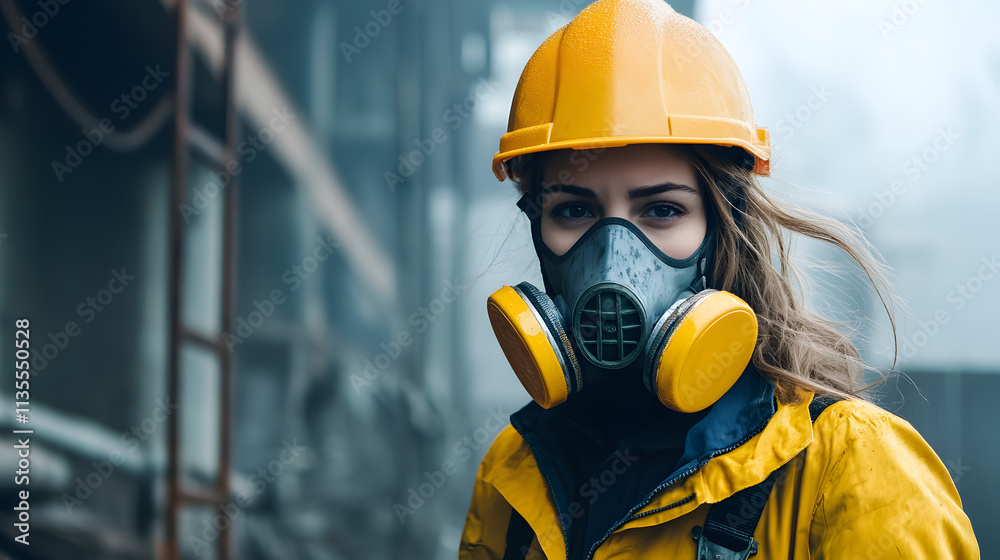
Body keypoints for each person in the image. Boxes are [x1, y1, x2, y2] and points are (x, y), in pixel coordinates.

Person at [458, 1, 981, 559]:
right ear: (537, 227)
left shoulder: (851, 467)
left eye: (661, 211)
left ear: (722, 226)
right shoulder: (514, 472)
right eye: (573, 211)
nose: (613, 258)